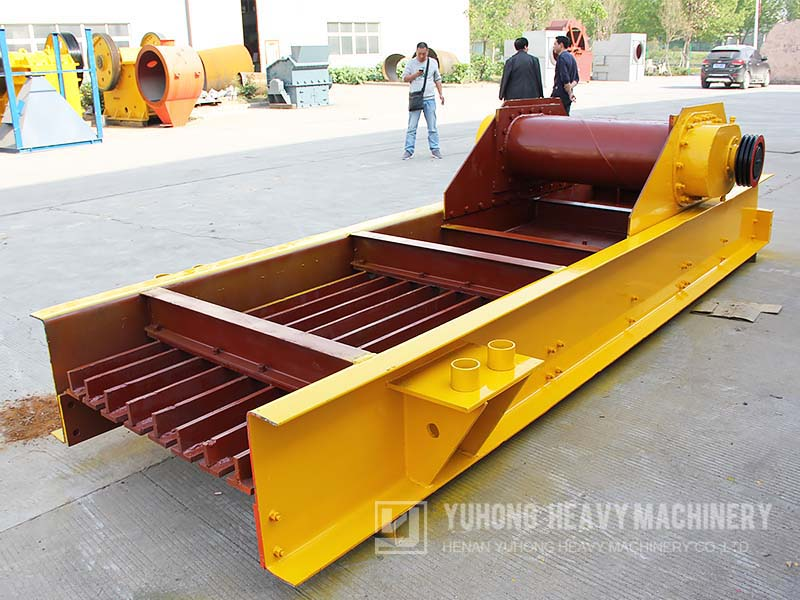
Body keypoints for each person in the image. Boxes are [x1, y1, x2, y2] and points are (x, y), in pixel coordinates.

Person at [402, 42, 445, 160]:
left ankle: (435, 149)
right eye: (419, 54)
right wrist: (416, 74)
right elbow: (405, 78)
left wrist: (441, 94)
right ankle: (408, 150)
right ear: (416, 52)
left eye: (424, 54)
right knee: (412, 127)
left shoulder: (433, 63)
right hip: (416, 98)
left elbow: (437, 79)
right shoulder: (411, 63)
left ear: (427, 52)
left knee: (432, 127)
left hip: (429, 98)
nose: (421, 56)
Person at [499, 37, 544, 101]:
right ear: (525, 46)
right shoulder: (534, 60)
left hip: (513, 96)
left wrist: (501, 94)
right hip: (531, 95)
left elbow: (505, 78)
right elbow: (538, 78)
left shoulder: (510, 61)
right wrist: (541, 94)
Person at [551, 35, 580, 115]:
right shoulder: (572, 57)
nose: (553, 47)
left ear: (561, 45)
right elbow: (576, 79)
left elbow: (565, 79)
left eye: (555, 44)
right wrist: (570, 90)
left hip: (560, 94)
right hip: (567, 96)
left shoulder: (561, 58)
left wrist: (569, 91)